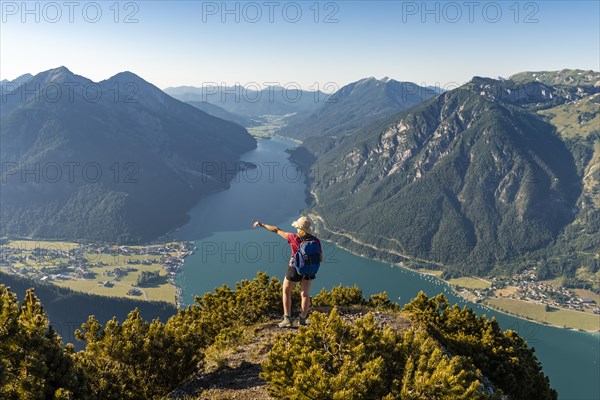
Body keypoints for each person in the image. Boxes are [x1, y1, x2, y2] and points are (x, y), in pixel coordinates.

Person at [253, 216, 323, 327]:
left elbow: (276, 230)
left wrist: (262, 224)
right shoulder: (316, 241)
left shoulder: (293, 237)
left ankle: (287, 319)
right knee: (305, 294)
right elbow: (320, 258)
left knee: (286, 291)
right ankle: (303, 319)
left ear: (300, 229)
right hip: (309, 270)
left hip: (294, 269)